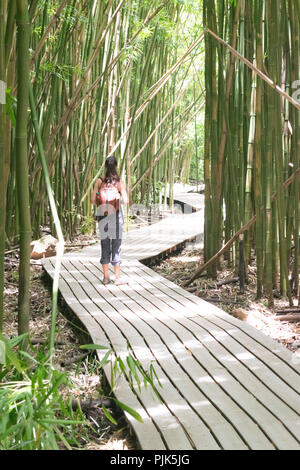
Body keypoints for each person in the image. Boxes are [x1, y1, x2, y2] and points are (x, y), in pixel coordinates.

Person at [91, 156, 128, 285]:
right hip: (116, 216)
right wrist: (118, 197)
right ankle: (117, 277)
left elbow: (92, 200)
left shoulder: (99, 181)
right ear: (116, 167)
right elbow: (126, 201)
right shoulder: (119, 182)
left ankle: (106, 277)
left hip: (102, 215)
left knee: (105, 245)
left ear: (105, 167)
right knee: (116, 246)